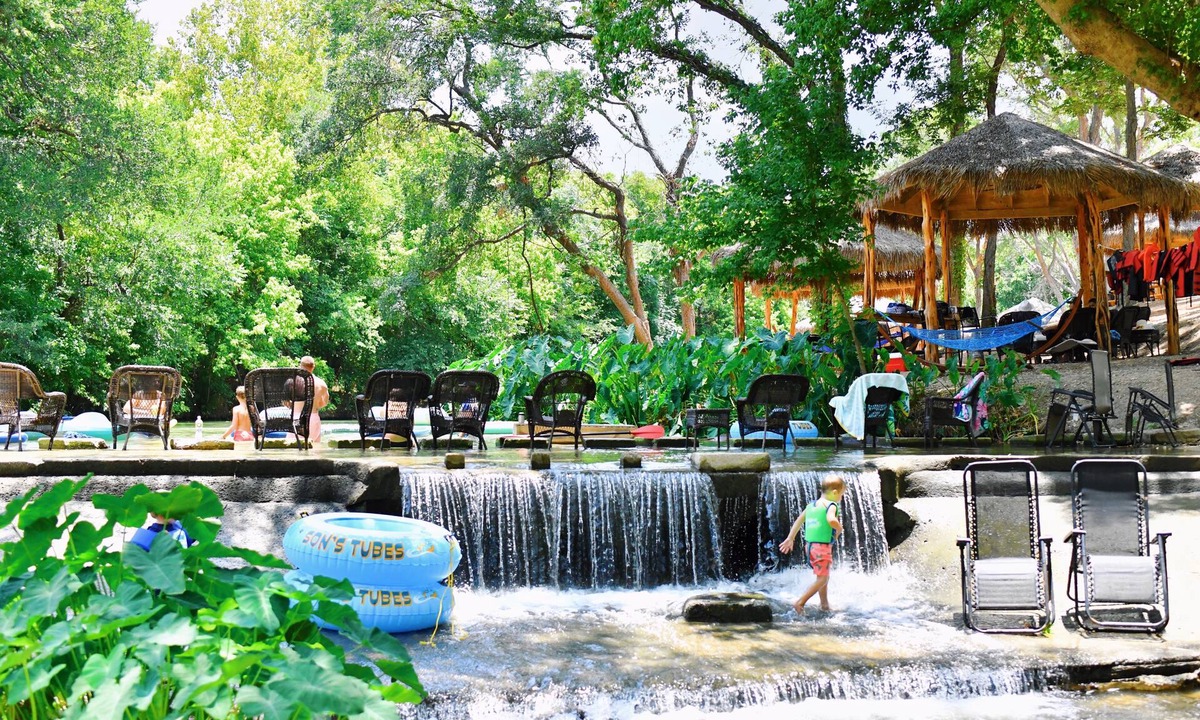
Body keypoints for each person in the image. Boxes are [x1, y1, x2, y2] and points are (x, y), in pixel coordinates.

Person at [779, 476, 845, 614]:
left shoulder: (811, 506)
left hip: (810, 547)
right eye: (841, 495)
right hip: (822, 547)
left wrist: (790, 538)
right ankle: (800, 602)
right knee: (823, 578)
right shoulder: (831, 505)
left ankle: (824, 604)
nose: (841, 498)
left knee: (822, 575)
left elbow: (799, 521)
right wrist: (839, 528)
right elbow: (831, 520)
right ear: (834, 492)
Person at [299, 356, 330, 442]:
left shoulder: (292, 382)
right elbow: (324, 403)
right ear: (313, 367)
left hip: (295, 419)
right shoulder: (321, 384)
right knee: (315, 449)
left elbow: (286, 402)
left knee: (292, 449)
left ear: (300, 366)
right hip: (312, 418)